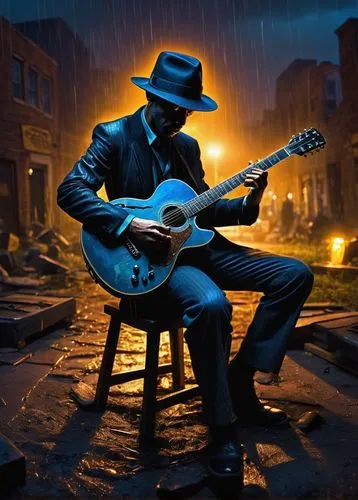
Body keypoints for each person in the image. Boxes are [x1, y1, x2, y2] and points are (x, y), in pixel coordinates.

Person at [57, 51, 314, 481]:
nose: (178, 119)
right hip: (149, 265)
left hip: (199, 249)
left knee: (295, 274)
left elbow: (203, 209)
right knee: (211, 305)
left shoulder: (187, 147)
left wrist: (251, 200)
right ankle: (222, 426)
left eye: (186, 112)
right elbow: (71, 191)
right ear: (151, 96)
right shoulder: (114, 136)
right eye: (171, 109)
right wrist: (128, 224)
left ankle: (240, 382)